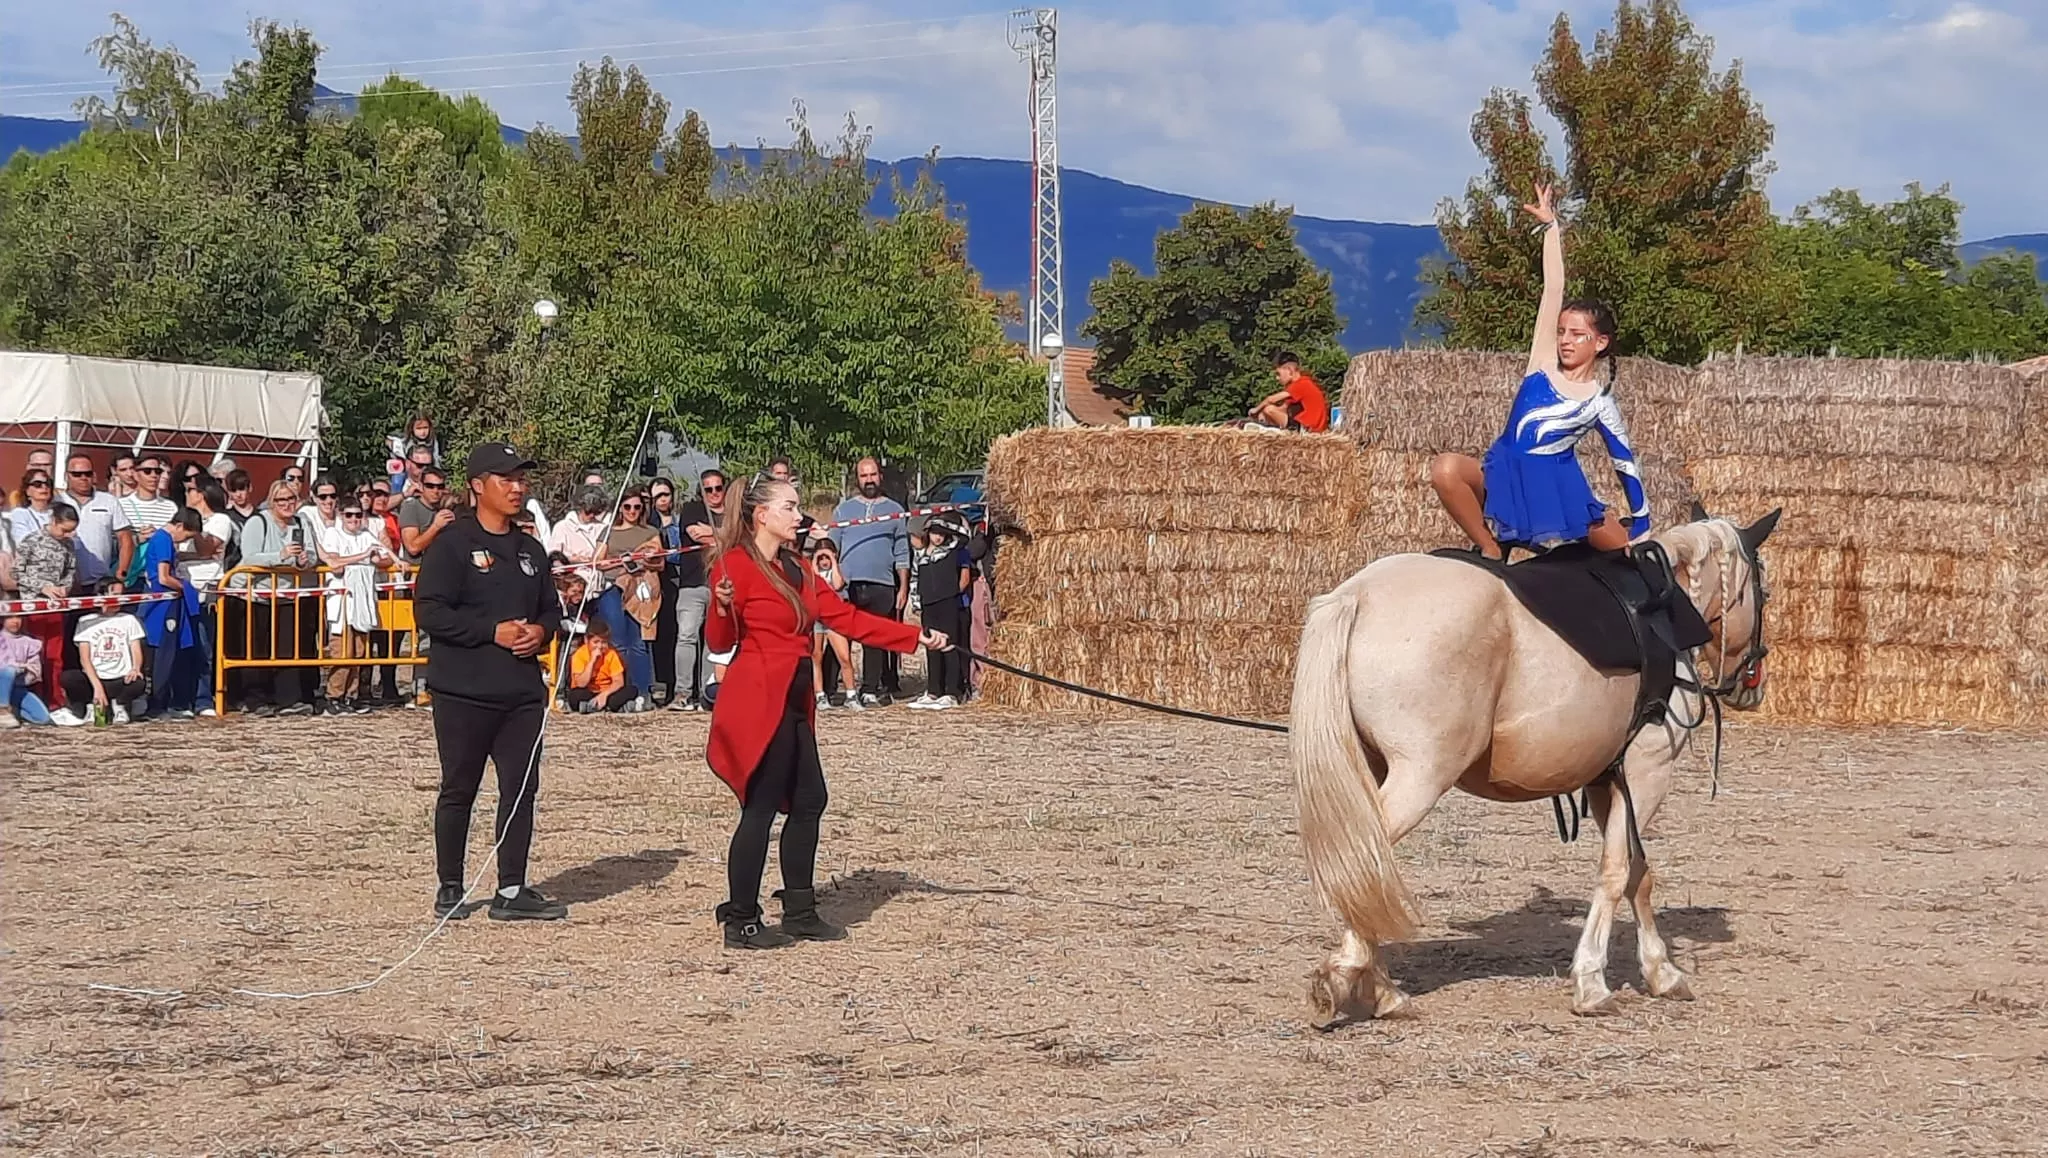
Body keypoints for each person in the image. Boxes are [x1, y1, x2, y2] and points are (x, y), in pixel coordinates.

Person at [705, 473, 948, 949]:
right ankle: (741, 919)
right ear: (763, 515)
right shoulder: (734, 566)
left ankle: (799, 909)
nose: (800, 516)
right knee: (760, 807)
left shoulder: (798, 570)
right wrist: (720, 606)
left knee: (810, 800)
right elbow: (721, 642)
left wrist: (913, 636)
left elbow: (845, 619)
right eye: (791, 507)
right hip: (758, 700)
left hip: (796, 698)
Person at [1429, 184, 1648, 561]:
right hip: (1507, 478)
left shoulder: (1599, 402)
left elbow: (1623, 459)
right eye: (1562, 332)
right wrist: (1551, 229)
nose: (1565, 340)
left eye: (1577, 335)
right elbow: (1553, 290)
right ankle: (1490, 548)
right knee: (1444, 469)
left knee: (1631, 558)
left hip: (1560, 493)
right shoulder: (1542, 365)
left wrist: (1642, 519)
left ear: (1600, 343)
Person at [414, 441, 566, 923]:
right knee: (460, 787)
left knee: (521, 787)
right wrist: (489, 632)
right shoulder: (452, 544)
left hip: (521, 692)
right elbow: (430, 611)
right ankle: (451, 885)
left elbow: (551, 609)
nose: (518, 487)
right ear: (478, 486)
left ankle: (512, 887)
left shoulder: (530, 549)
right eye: (507, 478)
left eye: (522, 478)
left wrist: (541, 631)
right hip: (463, 690)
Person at [234, 482, 321, 716]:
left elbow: (312, 553)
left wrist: (305, 560)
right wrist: (280, 556)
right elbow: (250, 556)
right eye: (281, 500)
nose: (287, 504)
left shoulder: (302, 522)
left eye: (291, 499)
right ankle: (256, 699)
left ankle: (289, 699)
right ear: (272, 502)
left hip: (289, 593)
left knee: (288, 647)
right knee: (256, 647)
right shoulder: (258, 522)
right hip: (257, 594)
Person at [830, 457, 909, 706]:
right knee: (839, 636)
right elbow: (831, 547)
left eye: (873, 475)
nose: (869, 480)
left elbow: (902, 552)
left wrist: (903, 587)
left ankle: (871, 688)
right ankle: (833, 688)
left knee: (874, 639)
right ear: (857, 478)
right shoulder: (844, 510)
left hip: (882, 584)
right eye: (864, 476)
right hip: (848, 585)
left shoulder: (895, 510)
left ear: (880, 476)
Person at [320, 499, 396, 714]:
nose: (354, 519)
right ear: (341, 515)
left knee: (359, 651)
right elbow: (334, 562)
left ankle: (350, 695)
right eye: (349, 515)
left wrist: (375, 559)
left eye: (358, 515)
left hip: (363, 598)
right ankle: (333, 696)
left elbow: (386, 558)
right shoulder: (333, 534)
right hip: (342, 600)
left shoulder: (365, 535)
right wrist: (364, 557)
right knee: (342, 651)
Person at [665, 470, 724, 711]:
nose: (713, 494)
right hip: (692, 583)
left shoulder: (735, 514)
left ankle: (708, 694)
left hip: (722, 584)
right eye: (708, 489)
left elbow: (743, 537)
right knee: (687, 637)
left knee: (715, 641)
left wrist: (716, 535)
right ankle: (682, 693)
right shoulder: (692, 509)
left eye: (718, 488)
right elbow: (694, 534)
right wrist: (724, 536)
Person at [138, 508, 202, 721]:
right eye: (186, 536)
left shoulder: (161, 539)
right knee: (163, 656)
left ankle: (165, 702)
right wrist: (186, 588)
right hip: (163, 605)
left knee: (165, 654)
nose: (184, 541)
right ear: (180, 526)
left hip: (163, 604)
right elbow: (164, 577)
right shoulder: (164, 540)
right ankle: (158, 704)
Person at [57, 578, 148, 726]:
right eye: (115, 594)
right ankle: (90, 706)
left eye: (121, 595)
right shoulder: (85, 621)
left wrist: (136, 668)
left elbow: (136, 649)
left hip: (120, 678)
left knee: (138, 682)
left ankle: (120, 705)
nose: (119, 599)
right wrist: (97, 687)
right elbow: (84, 658)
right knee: (69, 678)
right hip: (95, 678)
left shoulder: (129, 619)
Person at [599, 488, 659, 711]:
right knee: (617, 642)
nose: (632, 511)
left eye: (637, 507)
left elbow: (659, 560)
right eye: (627, 507)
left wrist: (643, 559)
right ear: (620, 508)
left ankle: (643, 691)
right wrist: (620, 562)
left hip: (640, 589)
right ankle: (621, 691)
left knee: (639, 642)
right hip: (613, 587)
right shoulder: (608, 531)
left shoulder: (650, 531)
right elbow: (598, 561)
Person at [16, 503, 78, 711]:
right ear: (53, 521)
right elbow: (17, 573)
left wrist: (63, 588)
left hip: (56, 607)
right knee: (35, 653)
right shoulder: (32, 541)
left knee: (55, 654)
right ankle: (34, 698)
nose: (68, 534)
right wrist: (43, 587)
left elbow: (70, 571)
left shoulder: (68, 545)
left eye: (71, 530)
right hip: (34, 606)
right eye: (64, 529)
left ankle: (56, 699)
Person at [907, 515, 973, 710]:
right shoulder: (921, 555)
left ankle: (952, 691)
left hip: (947, 603)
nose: (938, 537)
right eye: (935, 532)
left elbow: (964, 538)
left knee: (949, 645)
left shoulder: (952, 551)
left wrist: (950, 522)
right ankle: (934, 690)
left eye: (942, 533)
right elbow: (915, 579)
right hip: (928, 604)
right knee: (932, 647)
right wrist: (916, 602)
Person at [805, 538, 863, 710]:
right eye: (821, 558)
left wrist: (833, 560)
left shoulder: (839, 569)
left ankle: (851, 695)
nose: (824, 562)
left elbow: (838, 585)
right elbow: (812, 584)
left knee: (844, 657)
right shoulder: (811, 570)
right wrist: (814, 561)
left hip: (834, 618)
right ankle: (820, 695)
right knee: (816, 656)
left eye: (826, 557)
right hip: (817, 618)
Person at [1248, 352, 1331, 433]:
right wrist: (1262, 415)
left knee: (1269, 409)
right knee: (1267, 411)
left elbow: (1271, 399)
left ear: (1290, 371)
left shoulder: (1301, 384)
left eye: (1278, 374)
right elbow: (1284, 408)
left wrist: (1255, 410)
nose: (1277, 378)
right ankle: (1270, 429)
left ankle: (1280, 431)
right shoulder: (1303, 384)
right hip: (1309, 426)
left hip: (1308, 428)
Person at [563, 615, 632, 713]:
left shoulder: (611, 654)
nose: (599, 646)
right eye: (596, 642)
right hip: (588, 691)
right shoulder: (579, 655)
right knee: (575, 696)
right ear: (587, 640)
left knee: (631, 690)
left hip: (608, 692)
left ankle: (596, 705)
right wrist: (592, 661)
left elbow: (619, 681)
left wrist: (604, 695)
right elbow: (581, 684)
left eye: (603, 642)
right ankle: (604, 706)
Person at [0, 614, 53, 727]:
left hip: (17, 688)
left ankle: (13, 711)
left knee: (42, 718)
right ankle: (2, 710)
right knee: (9, 671)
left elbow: (35, 671)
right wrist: (20, 667)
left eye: (18, 617)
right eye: (10, 617)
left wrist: (24, 670)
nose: (15, 621)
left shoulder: (29, 642)